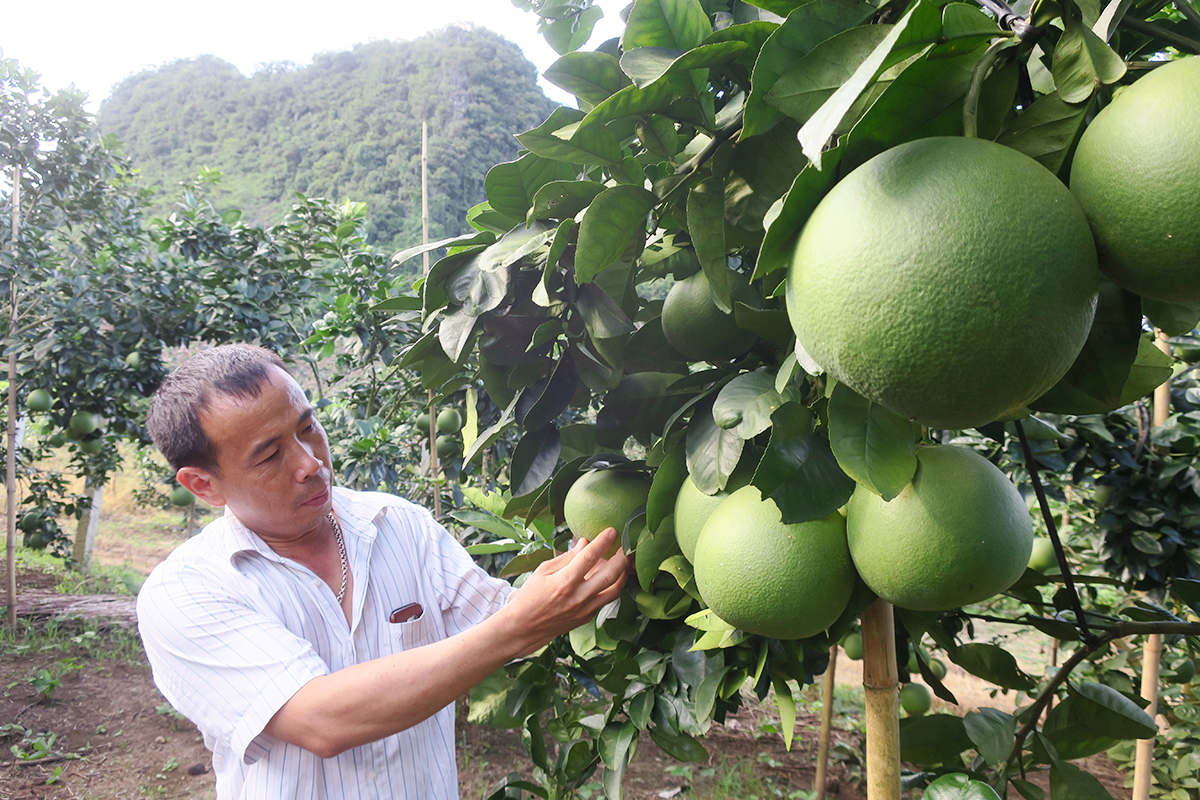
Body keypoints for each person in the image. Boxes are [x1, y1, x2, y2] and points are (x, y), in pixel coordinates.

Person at [136, 344, 629, 799]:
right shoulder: (187, 592)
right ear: (203, 485)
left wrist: (615, 547)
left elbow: (500, 615)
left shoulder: (399, 526)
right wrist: (518, 625)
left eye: (308, 428)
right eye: (269, 454)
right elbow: (321, 719)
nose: (311, 462)